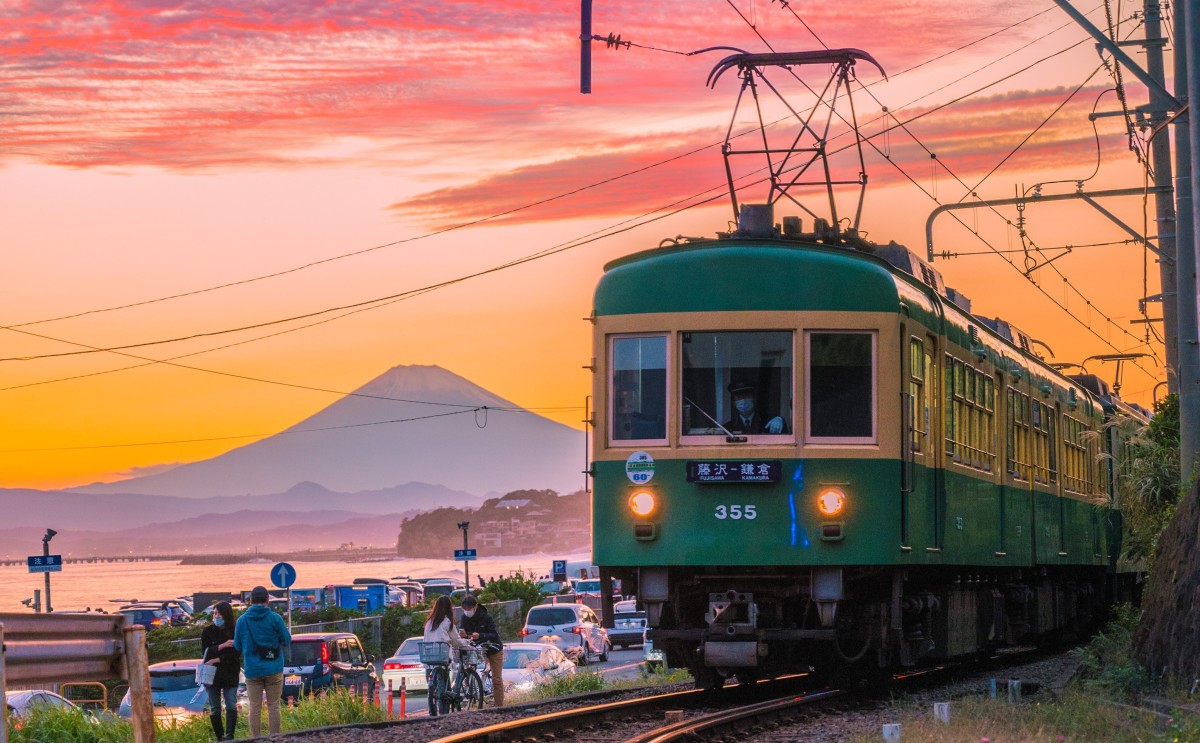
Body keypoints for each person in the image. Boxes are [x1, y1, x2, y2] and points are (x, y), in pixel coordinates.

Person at [234, 586, 291, 737]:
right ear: (267, 600)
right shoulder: (275, 618)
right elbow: (286, 640)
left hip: (253, 670)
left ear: (250, 601)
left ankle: (256, 739)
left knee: (254, 707)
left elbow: (237, 646)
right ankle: (275, 737)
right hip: (274, 668)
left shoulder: (242, 621)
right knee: (274, 706)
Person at [422, 595, 471, 716]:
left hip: (429, 659)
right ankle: (444, 713)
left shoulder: (429, 622)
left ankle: (432, 711)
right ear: (449, 608)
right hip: (442, 657)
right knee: (445, 688)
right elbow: (456, 640)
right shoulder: (447, 622)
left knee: (432, 689)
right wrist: (467, 643)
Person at [201, 601, 240, 741]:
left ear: (225, 614)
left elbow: (235, 654)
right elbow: (205, 653)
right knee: (215, 707)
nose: (216, 616)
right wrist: (222, 646)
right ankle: (220, 737)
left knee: (231, 704)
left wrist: (217, 659)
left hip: (230, 674)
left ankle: (230, 736)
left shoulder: (235, 630)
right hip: (212, 676)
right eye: (214, 613)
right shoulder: (208, 631)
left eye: (218, 613)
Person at [458, 594, 504, 707]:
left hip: (493, 648)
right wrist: (463, 635)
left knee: (496, 679)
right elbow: (464, 633)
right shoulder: (464, 618)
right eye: (465, 609)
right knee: (468, 670)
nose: (467, 611)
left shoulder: (486, 617)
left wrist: (481, 635)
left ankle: (499, 706)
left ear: (475, 607)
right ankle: (470, 698)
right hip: (475, 648)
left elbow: (494, 634)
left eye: (469, 609)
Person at [722, 380, 788, 434]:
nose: (743, 400)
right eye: (739, 397)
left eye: (747, 396)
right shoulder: (727, 428)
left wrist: (781, 420)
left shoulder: (769, 422)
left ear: (754, 398)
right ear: (733, 402)